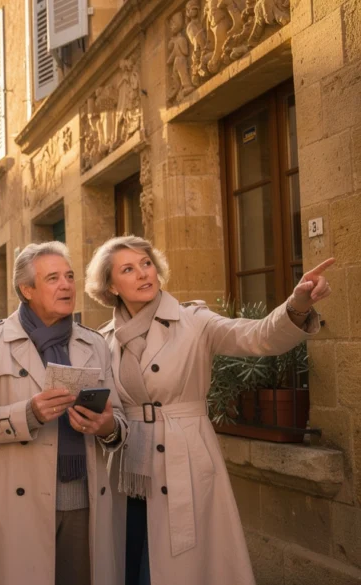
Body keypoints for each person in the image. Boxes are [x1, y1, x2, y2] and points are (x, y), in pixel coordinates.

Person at [84, 236, 332, 585]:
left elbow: (258, 336)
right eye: (128, 269)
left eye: (146, 263)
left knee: (182, 569)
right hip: (126, 471)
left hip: (184, 458)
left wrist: (298, 304)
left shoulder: (193, 320)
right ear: (111, 285)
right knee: (128, 562)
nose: (143, 273)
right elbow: (108, 408)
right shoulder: (103, 338)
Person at [0, 242, 128, 585]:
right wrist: (28, 414)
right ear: (27, 289)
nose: (66, 285)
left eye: (69, 276)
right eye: (53, 278)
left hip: (84, 501)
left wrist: (107, 425)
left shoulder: (94, 344)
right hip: (15, 502)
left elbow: (119, 420)